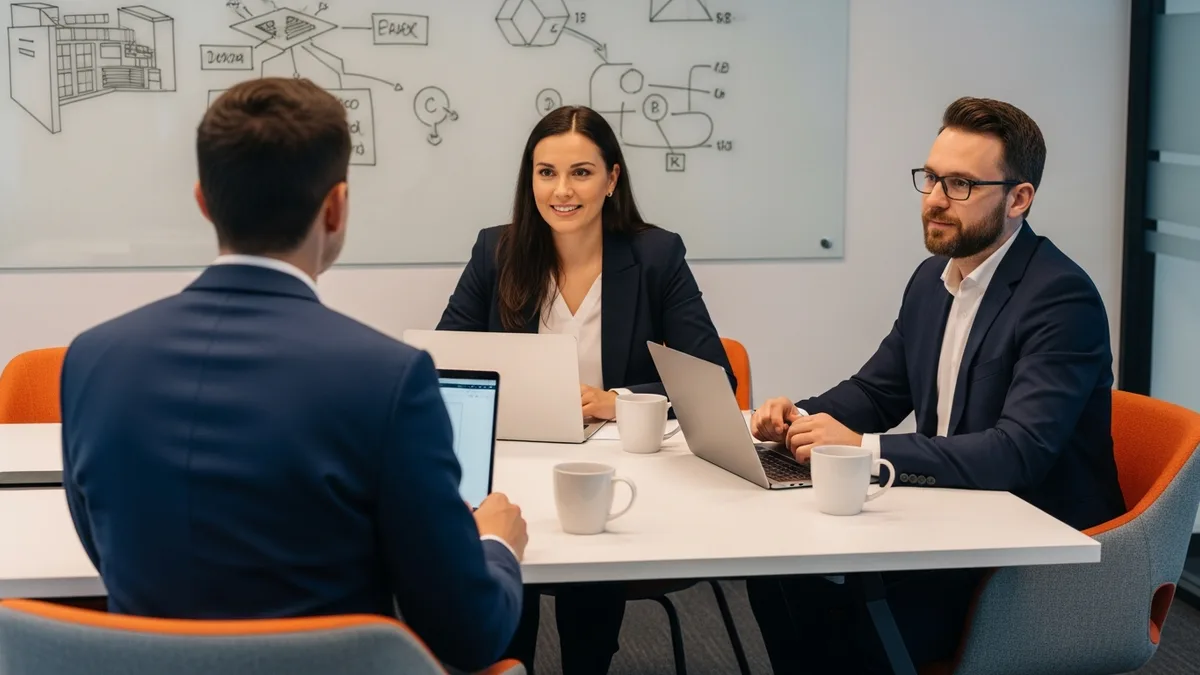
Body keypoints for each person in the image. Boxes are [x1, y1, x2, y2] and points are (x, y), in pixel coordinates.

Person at [59, 78, 527, 673]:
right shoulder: (390, 379)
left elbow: (106, 550)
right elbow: (467, 635)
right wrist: (496, 544)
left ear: (203, 201)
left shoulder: (91, 360)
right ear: (336, 207)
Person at [745, 96, 1126, 673]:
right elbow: (876, 392)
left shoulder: (1059, 297)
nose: (935, 200)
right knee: (780, 576)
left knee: (845, 618)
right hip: (951, 521)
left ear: (1019, 198)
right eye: (930, 178)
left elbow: (1017, 454)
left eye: (960, 185)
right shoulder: (932, 280)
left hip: (1028, 556)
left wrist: (862, 449)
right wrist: (794, 418)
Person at [436, 105, 735, 673]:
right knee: (504, 581)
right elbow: (446, 366)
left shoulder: (656, 255)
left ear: (612, 178)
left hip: (617, 472)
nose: (562, 190)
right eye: (546, 172)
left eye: (581, 172)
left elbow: (713, 377)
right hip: (514, 465)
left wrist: (616, 401)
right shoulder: (495, 251)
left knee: (590, 593)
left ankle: (588, 661)